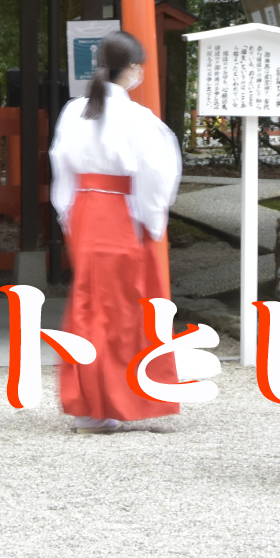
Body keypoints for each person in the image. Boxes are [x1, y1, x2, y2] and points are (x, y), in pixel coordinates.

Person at [48, 30, 182, 433]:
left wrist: (68, 213)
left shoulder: (75, 111)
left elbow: (61, 166)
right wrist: (152, 219)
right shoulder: (137, 118)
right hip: (121, 212)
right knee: (123, 309)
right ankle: (117, 402)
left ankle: (89, 402)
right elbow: (157, 175)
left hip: (86, 210)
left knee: (90, 304)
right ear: (135, 69)